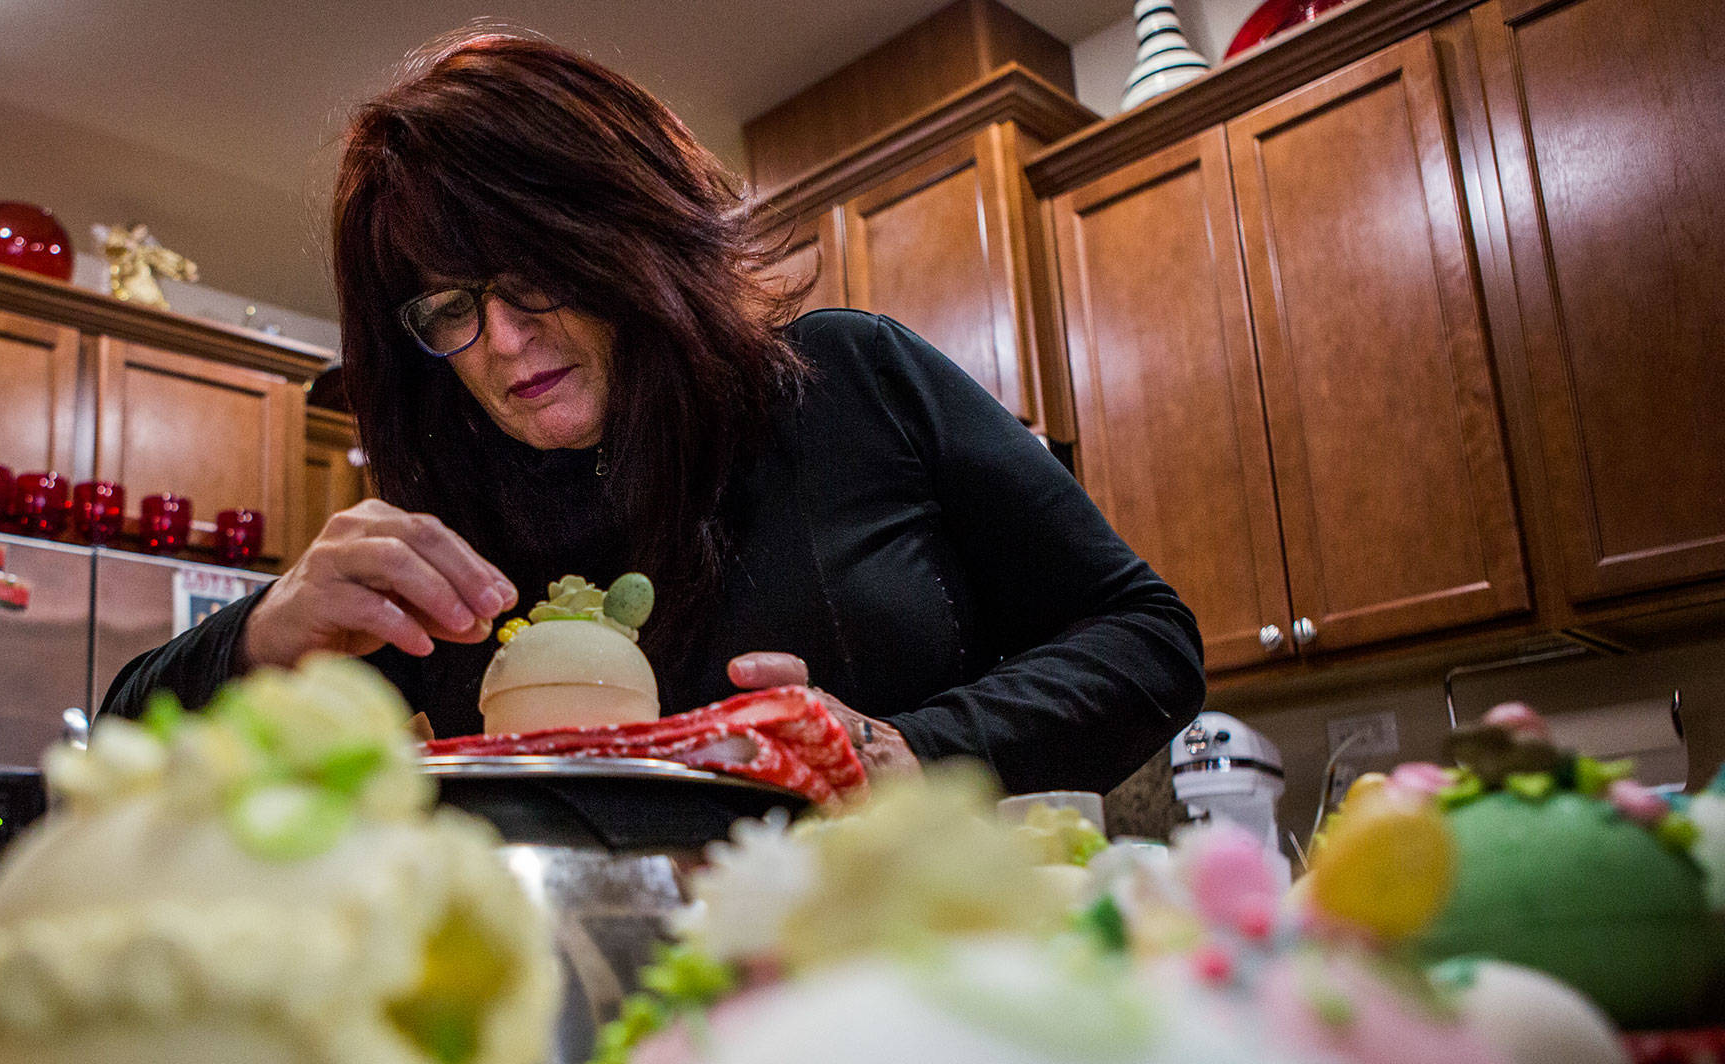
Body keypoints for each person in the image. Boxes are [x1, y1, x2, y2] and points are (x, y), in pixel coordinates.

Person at [104, 29, 1205, 794]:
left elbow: (1145, 640)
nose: (499, 340)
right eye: (446, 307)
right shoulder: (448, 540)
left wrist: (907, 750)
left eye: (533, 271)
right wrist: (259, 636)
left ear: (632, 243)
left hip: (902, 1001)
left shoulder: (846, 382)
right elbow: (119, 750)